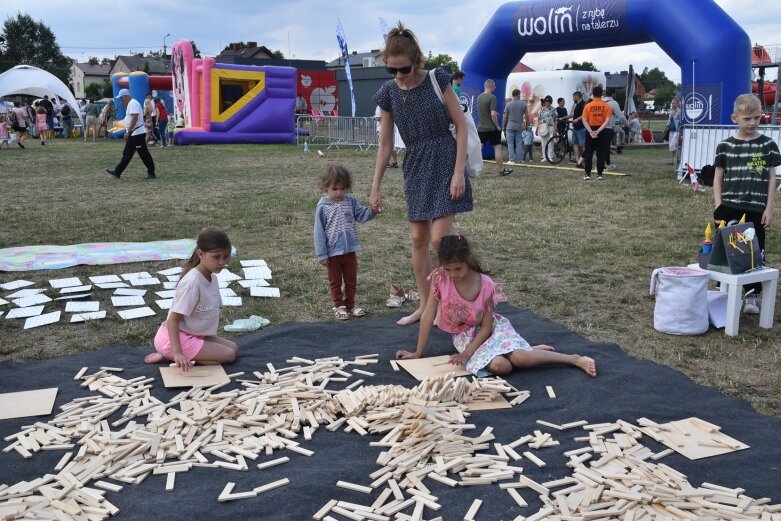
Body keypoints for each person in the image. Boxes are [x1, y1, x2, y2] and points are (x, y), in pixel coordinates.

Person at [371, 22, 472, 326]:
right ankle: (426, 306)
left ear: (415, 60)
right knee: (418, 239)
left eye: (402, 69)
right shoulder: (387, 93)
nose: (398, 76)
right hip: (415, 163)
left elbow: (463, 126)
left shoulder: (437, 79)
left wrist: (458, 174)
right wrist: (375, 186)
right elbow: (386, 144)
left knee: (439, 240)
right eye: (391, 70)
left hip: (444, 159)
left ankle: (451, 303)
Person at [395, 235, 597, 378]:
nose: (453, 274)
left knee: (520, 359)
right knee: (502, 366)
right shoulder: (440, 278)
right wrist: (418, 352)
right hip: (465, 335)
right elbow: (429, 315)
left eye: (458, 269)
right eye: (448, 269)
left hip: (491, 330)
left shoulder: (486, 285)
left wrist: (466, 355)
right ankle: (527, 349)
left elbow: (486, 327)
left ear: (468, 261)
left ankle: (573, 359)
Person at [713, 93, 780, 314]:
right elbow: (718, 177)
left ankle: (751, 296)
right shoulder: (725, 146)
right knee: (725, 250)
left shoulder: (768, 145)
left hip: (756, 207)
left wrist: (769, 207)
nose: (752, 123)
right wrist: (718, 206)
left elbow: (772, 178)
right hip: (729, 205)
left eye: (757, 118)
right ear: (735, 118)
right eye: (747, 118)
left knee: (754, 250)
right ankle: (723, 291)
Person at [146, 227, 238, 370]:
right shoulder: (192, 283)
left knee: (234, 348)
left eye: (225, 257)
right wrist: (178, 352)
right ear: (201, 254)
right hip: (173, 338)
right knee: (229, 355)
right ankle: (170, 354)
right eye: (216, 257)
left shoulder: (212, 277)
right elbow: (173, 319)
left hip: (194, 334)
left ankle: (171, 354)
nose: (222, 262)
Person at [314, 164, 376, 320]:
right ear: (326, 188)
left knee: (351, 280)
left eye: (342, 188)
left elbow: (361, 215)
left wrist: (372, 211)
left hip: (349, 251)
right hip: (332, 253)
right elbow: (319, 231)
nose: (339, 192)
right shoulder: (322, 207)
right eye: (334, 189)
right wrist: (322, 253)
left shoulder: (351, 202)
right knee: (335, 281)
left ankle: (350, 304)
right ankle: (339, 306)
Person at [105, 89, 157, 180]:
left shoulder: (133, 103)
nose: (121, 100)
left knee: (144, 154)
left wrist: (128, 131)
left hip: (137, 134)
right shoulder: (131, 103)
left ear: (125, 96)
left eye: (121, 98)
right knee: (127, 154)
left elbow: (134, 118)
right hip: (134, 133)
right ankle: (117, 171)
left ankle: (151, 173)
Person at [477, 78, 512, 175]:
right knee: (497, 148)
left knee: (478, 149)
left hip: (481, 127)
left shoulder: (479, 97)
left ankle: (468, 168)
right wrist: (497, 126)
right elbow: (492, 114)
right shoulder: (492, 97)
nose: (495, 88)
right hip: (492, 128)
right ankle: (501, 170)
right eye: (494, 86)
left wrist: (493, 113)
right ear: (491, 86)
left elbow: (485, 111)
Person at [580, 86, 613, 181]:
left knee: (589, 152)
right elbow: (607, 121)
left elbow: (584, 120)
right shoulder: (606, 106)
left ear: (592, 94)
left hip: (590, 129)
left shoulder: (588, 106)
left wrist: (590, 131)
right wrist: (598, 131)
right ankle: (599, 174)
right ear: (602, 94)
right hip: (602, 130)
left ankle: (587, 174)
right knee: (601, 153)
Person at [603, 88, 628, 169]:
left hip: (597, 126)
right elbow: (621, 116)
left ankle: (607, 164)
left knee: (604, 147)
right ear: (613, 94)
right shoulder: (613, 103)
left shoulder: (600, 101)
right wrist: (627, 124)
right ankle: (603, 165)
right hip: (608, 127)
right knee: (605, 147)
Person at [502, 88, 528, 165]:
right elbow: (527, 116)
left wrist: (503, 126)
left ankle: (511, 159)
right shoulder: (523, 104)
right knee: (519, 143)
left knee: (510, 143)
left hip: (510, 126)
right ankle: (519, 159)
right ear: (518, 94)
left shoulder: (508, 104)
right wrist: (527, 125)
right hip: (519, 126)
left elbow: (505, 116)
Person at [561, 91, 586, 165]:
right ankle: (578, 160)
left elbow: (585, 114)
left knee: (583, 145)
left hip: (581, 128)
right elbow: (573, 114)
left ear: (576, 97)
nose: (572, 99)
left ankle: (585, 159)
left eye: (573, 97)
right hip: (575, 128)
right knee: (574, 143)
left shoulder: (584, 104)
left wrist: (577, 119)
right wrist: (563, 118)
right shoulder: (577, 105)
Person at [537, 95, 556, 163]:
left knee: (551, 142)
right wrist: (538, 127)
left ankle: (550, 157)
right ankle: (545, 157)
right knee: (543, 143)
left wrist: (555, 129)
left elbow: (555, 119)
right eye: (546, 101)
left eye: (548, 101)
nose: (547, 102)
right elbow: (539, 119)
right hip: (543, 127)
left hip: (551, 126)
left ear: (551, 102)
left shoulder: (553, 109)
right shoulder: (541, 109)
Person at [667, 99, 681, 166]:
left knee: (674, 145)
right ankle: (672, 160)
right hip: (671, 130)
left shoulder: (679, 111)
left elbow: (680, 121)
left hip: (677, 131)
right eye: (672, 103)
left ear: (677, 103)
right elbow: (669, 121)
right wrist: (665, 129)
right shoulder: (671, 111)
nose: (673, 104)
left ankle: (677, 158)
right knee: (670, 146)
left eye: (674, 103)